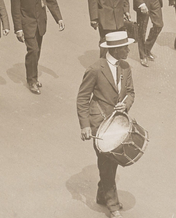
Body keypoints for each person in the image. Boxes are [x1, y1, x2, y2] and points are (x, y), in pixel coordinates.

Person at [76, 30, 135, 218]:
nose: (128, 50)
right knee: (106, 162)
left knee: (112, 161)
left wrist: (125, 104)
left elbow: (131, 92)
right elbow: (82, 98)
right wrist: (85, 125)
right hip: (99, 122)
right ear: (116, 50)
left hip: (117, 123)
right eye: (125, 48)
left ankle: (102, 195)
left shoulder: (125, 67)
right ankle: (113, 205)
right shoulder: (95, 69)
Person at [11, 0, 64, 94]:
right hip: (27, 24)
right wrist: (18, 29)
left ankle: (33, 75)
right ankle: (31, 80)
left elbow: (51, 1)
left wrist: (59, 19)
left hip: (40, 24)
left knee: (37, 51)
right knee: (33, 50)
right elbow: (15, 9)